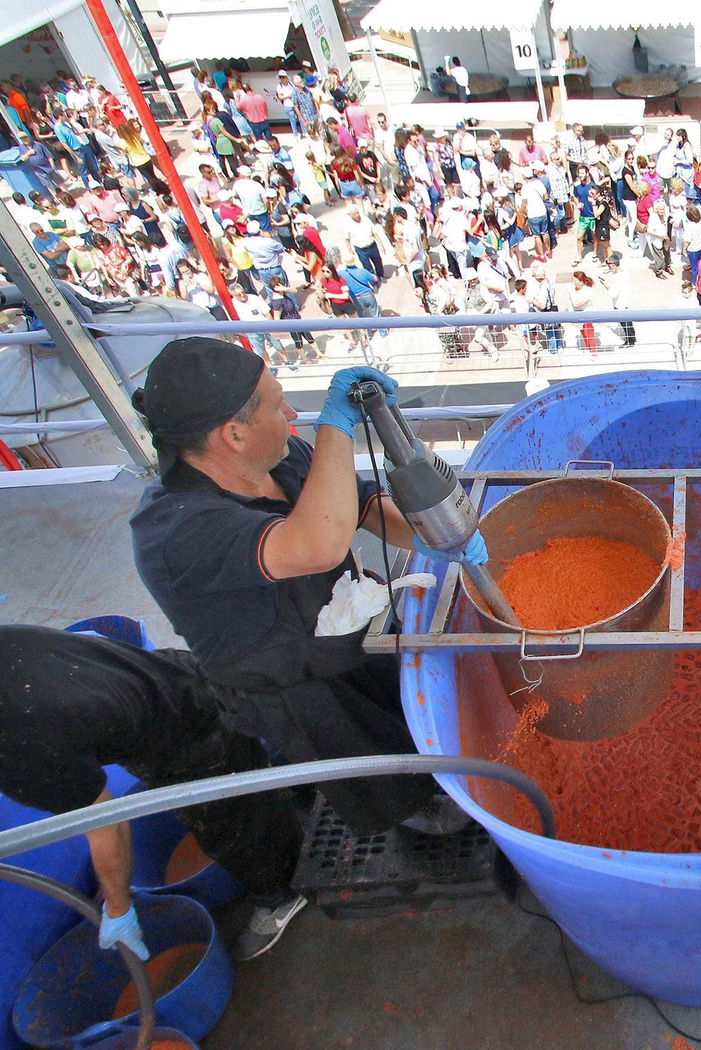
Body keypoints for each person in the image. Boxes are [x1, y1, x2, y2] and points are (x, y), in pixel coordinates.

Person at [129, 343, 483, 841]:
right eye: (278, 407)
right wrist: (336, 427)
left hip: (343, 625)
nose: (292, 415)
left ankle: (430, 775)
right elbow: (317, 543)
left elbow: (358, 505)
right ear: (233, 434)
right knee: (367, 766)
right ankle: (416, 814)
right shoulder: (176, 531)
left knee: (400, 717)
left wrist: (440, 537)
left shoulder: (279, 456)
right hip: (288, 679)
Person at [0, 625, 309, 960]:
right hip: (170, 672)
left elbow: (107, 826)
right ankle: (273, 779)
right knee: (247, 765)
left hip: (188, 740)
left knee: (232, 828)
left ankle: (283, 892)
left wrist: (118, 909)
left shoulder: (20, 752)